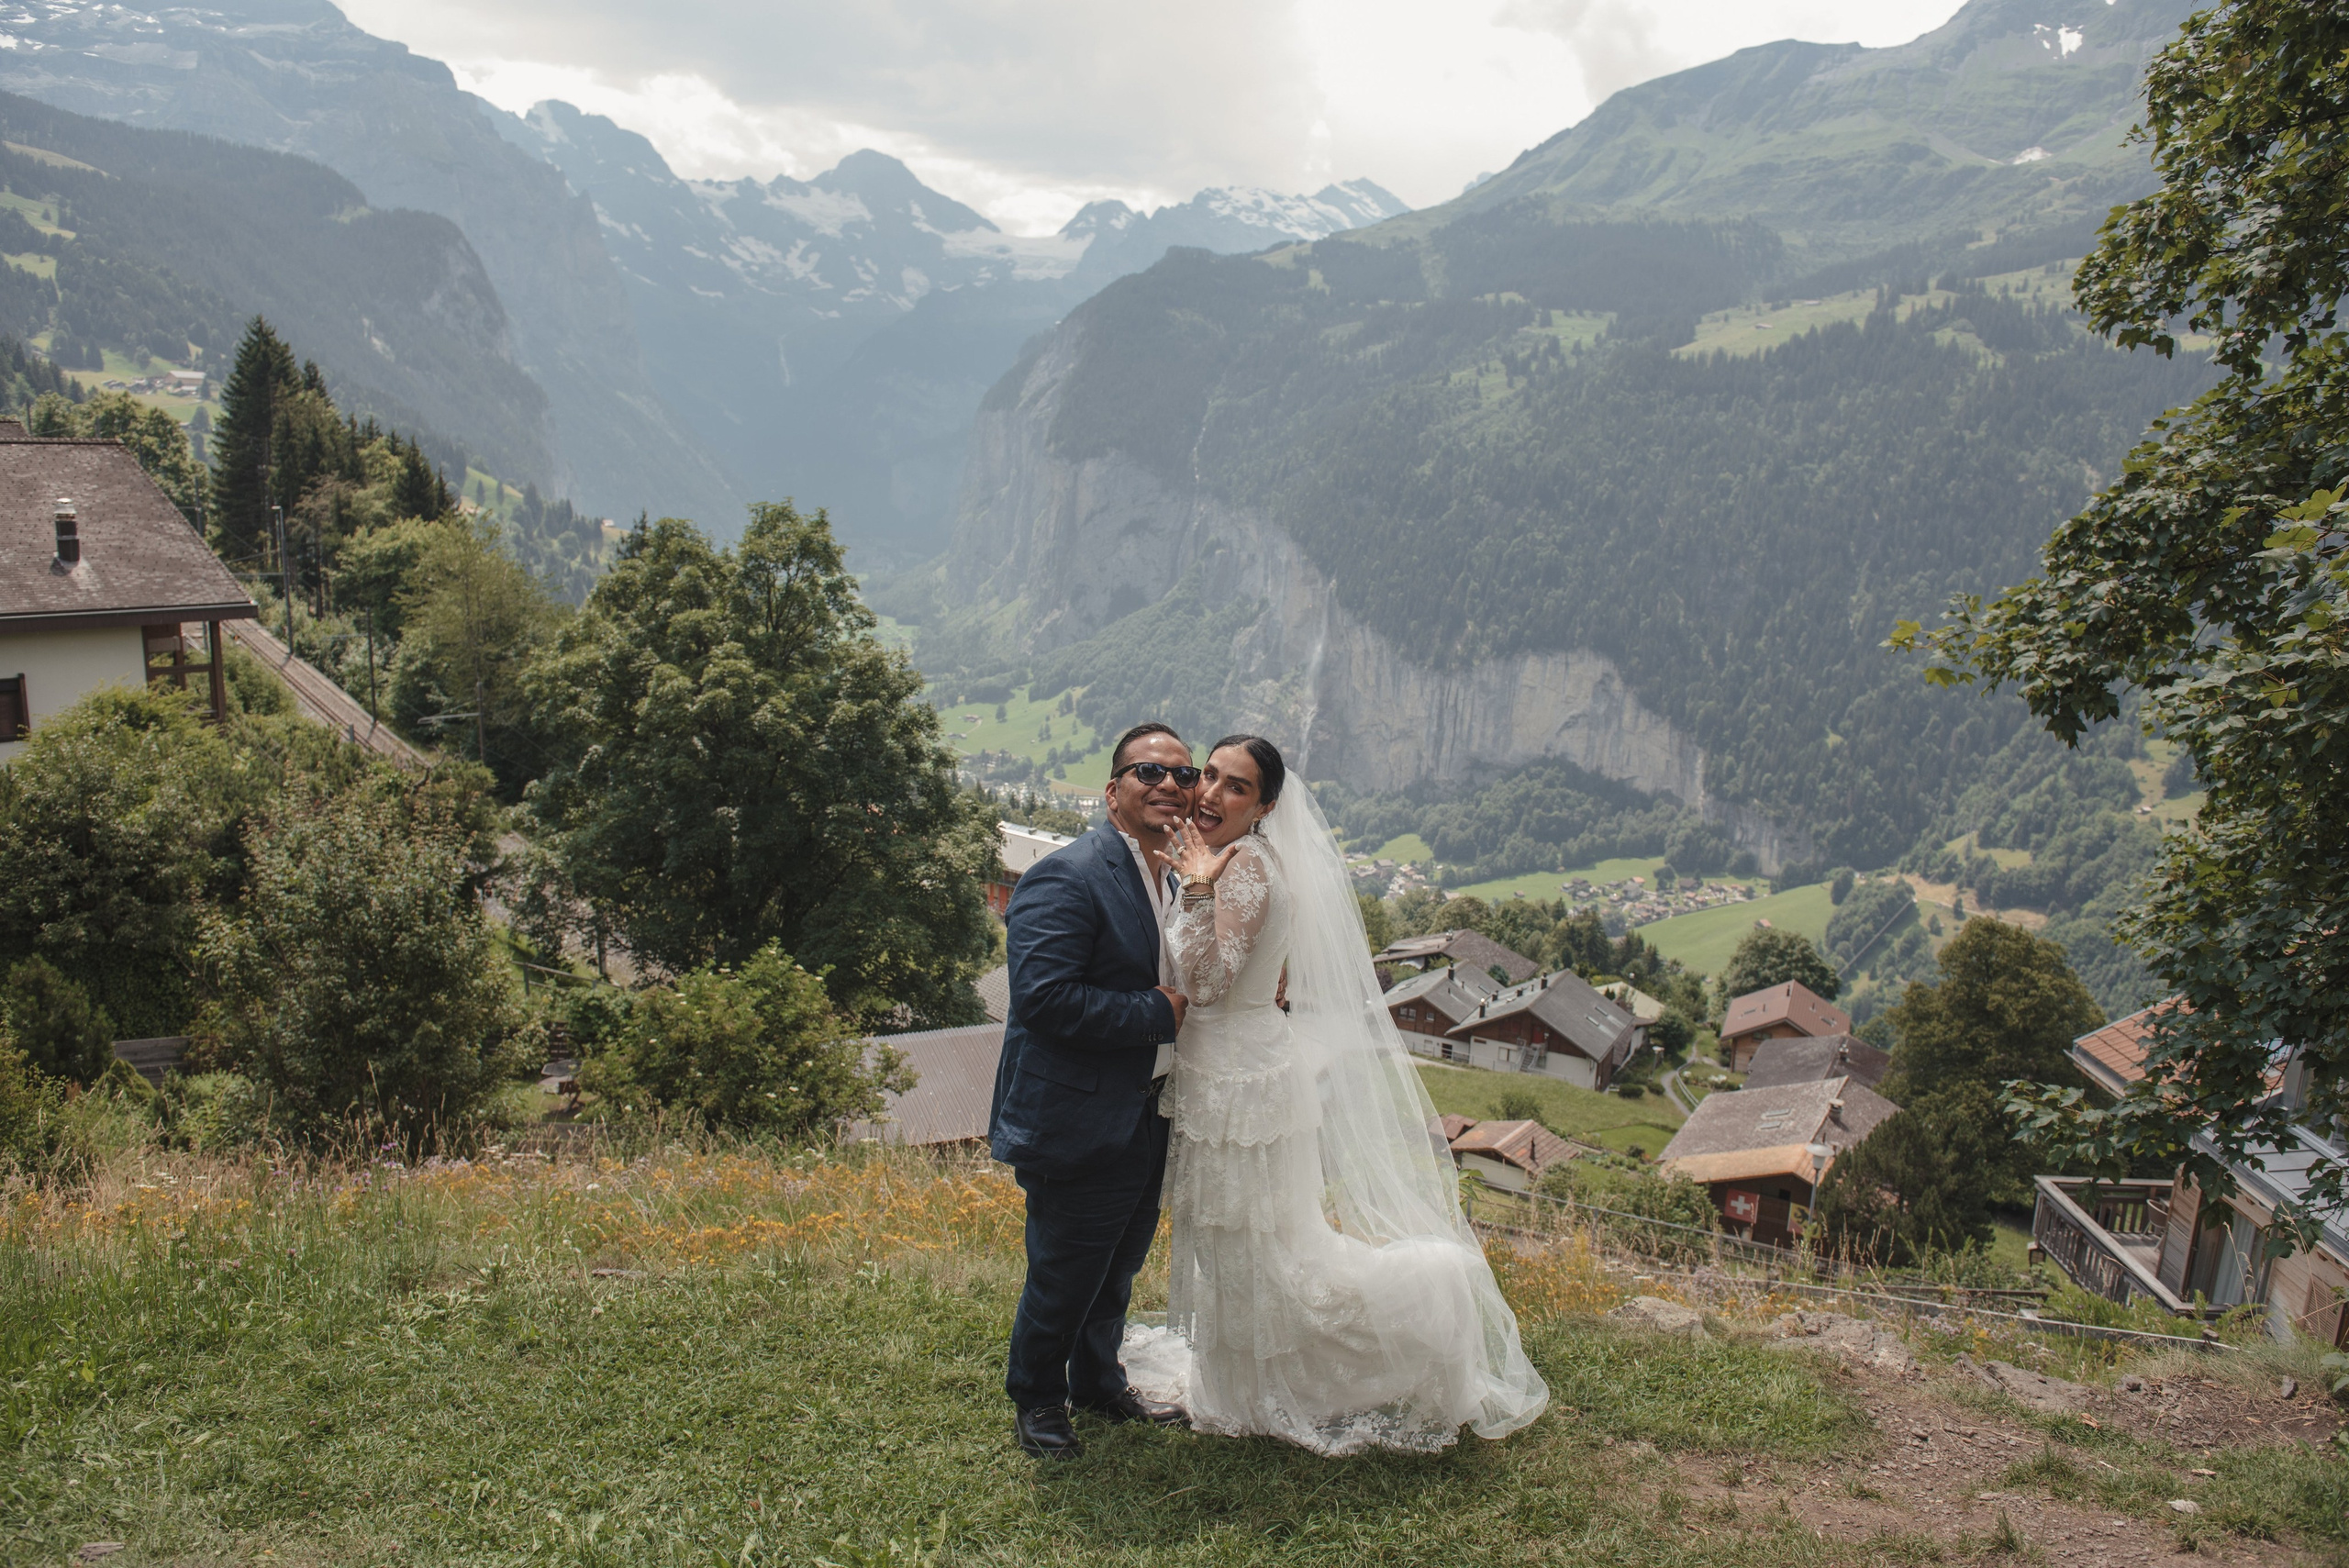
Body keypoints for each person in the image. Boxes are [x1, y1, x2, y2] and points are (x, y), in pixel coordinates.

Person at [1134, 734, 1550, 1454]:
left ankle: (1424, 1300)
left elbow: (1205, 984)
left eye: (1236, 786)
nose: (1210, 793)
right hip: (1235, 1069)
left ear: (1265, 806)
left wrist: (1197, 887)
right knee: (1242, 1250)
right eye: (1210, 774)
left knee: (1266, 1257)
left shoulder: (1242, 866)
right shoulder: (1248, 858)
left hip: (1240, 1087)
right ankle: (1239, 1384)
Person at [987, 720, 1200, 1459]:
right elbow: (1043, 998)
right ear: (1113, 792)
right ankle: (1039, 1399)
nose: (1170, 784)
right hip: (1077, 1113)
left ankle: (1100, 1381)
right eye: (1150, 771)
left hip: (1147, 1112)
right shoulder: (1068, 875)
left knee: (1118, 1266)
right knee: (1066, 1271)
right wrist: (1156, 1013)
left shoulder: (1172, 878)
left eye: (1184, 773)